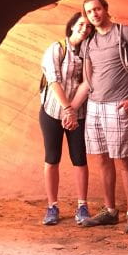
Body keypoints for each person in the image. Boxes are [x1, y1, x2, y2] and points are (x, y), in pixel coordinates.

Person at [71, 0, 128, 233]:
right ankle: (109, 211)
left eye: (97, 9)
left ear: (105, 9)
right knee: (103, 159)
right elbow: (87, 81)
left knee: (124, 159)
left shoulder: (125, 34)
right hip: (95, 106)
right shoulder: (88, 43)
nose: (94, 14)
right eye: (89, 12)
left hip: (120, 104)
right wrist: (71, 108)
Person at [39, 12, 93, 225]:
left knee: (79, 159)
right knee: (52, 158)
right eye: (81, 24)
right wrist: (66, 109)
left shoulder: (90, 53)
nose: (84, 29)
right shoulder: (57, 48)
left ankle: (82, 205)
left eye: (88, 27)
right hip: (52, 111)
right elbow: (53, 80)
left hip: (78, 113)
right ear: (72, 26)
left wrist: (72, 111)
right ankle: (52, 206)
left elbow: (88, 83)